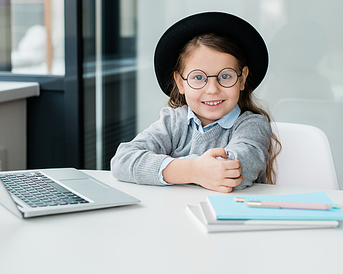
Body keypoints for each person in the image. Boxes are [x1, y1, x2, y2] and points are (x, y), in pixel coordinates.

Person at [111, 12, 280, 193]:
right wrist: (194, 171)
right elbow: (122, 160)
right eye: (199, 77)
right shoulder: (172, 122)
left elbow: (232, 172)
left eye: (225, 76)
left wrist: (172, 169)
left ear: (242, 79)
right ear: (180, 83)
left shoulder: (252, 126)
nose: (212, 89)